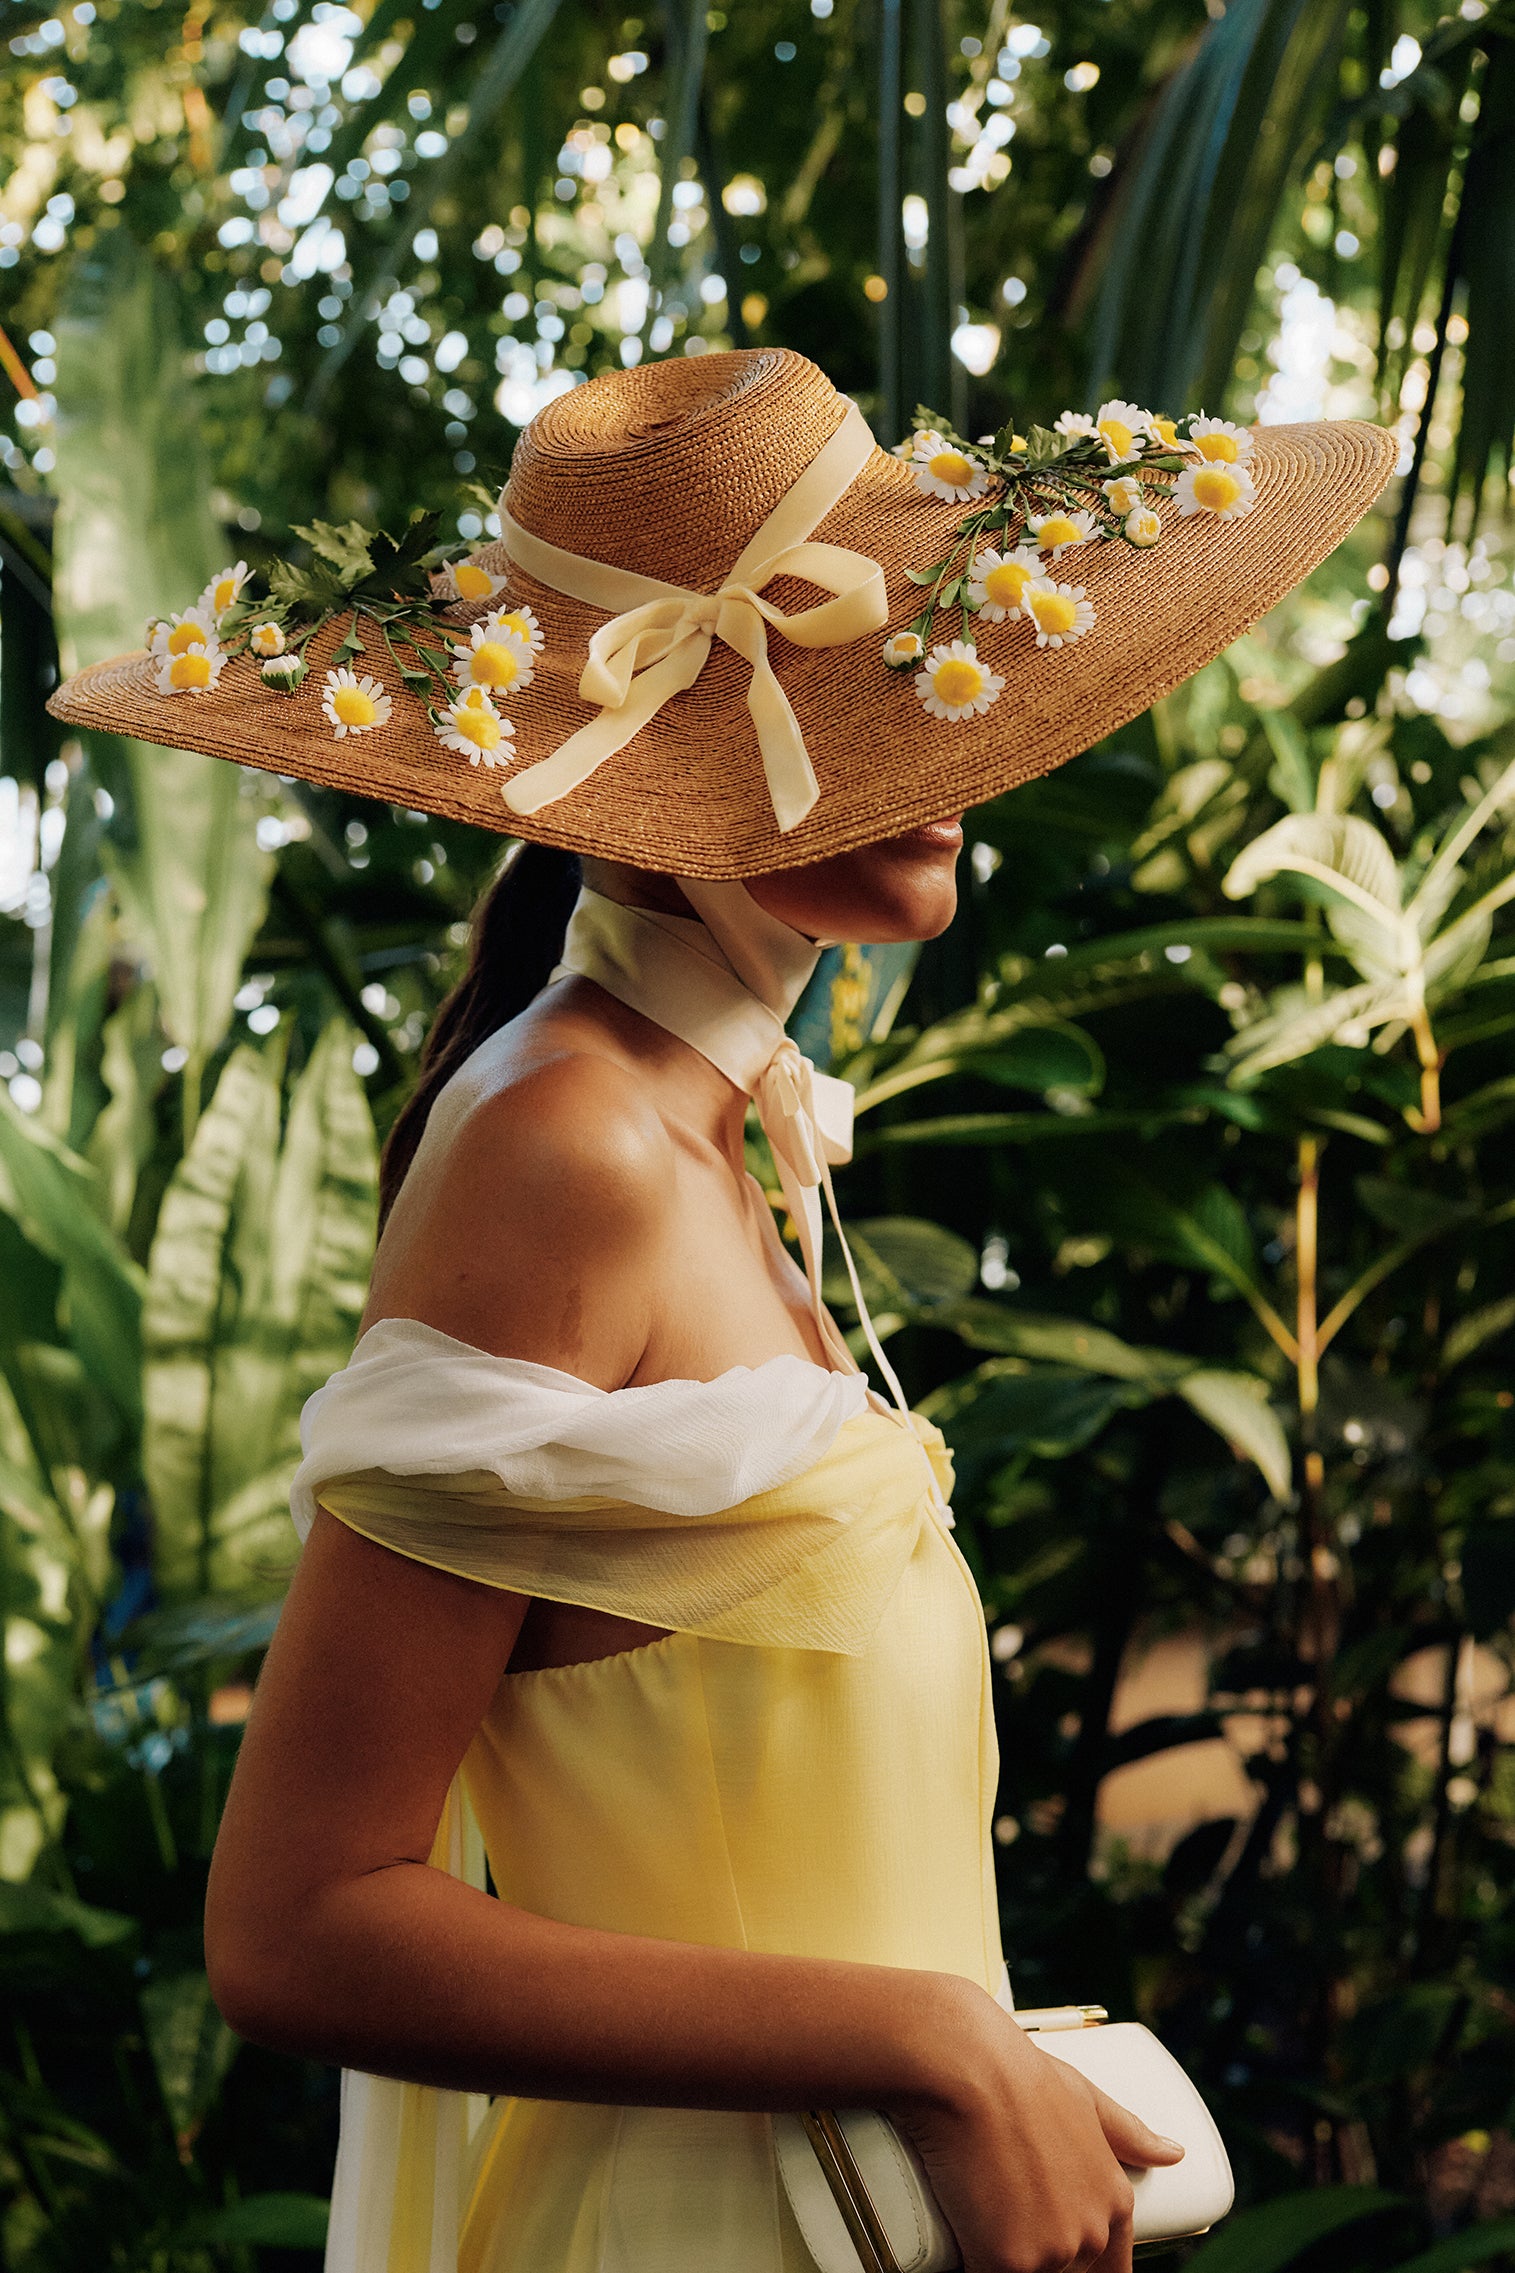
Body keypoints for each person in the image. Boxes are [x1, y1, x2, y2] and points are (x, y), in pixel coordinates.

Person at [50, 347, 1395, 2273]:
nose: (953, 750)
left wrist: (972, 2061)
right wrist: (921, 2039)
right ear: (664, 772)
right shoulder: (565, 1146)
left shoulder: (729, 1126)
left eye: (914, 676)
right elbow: (297, 1917)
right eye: (842, 701)